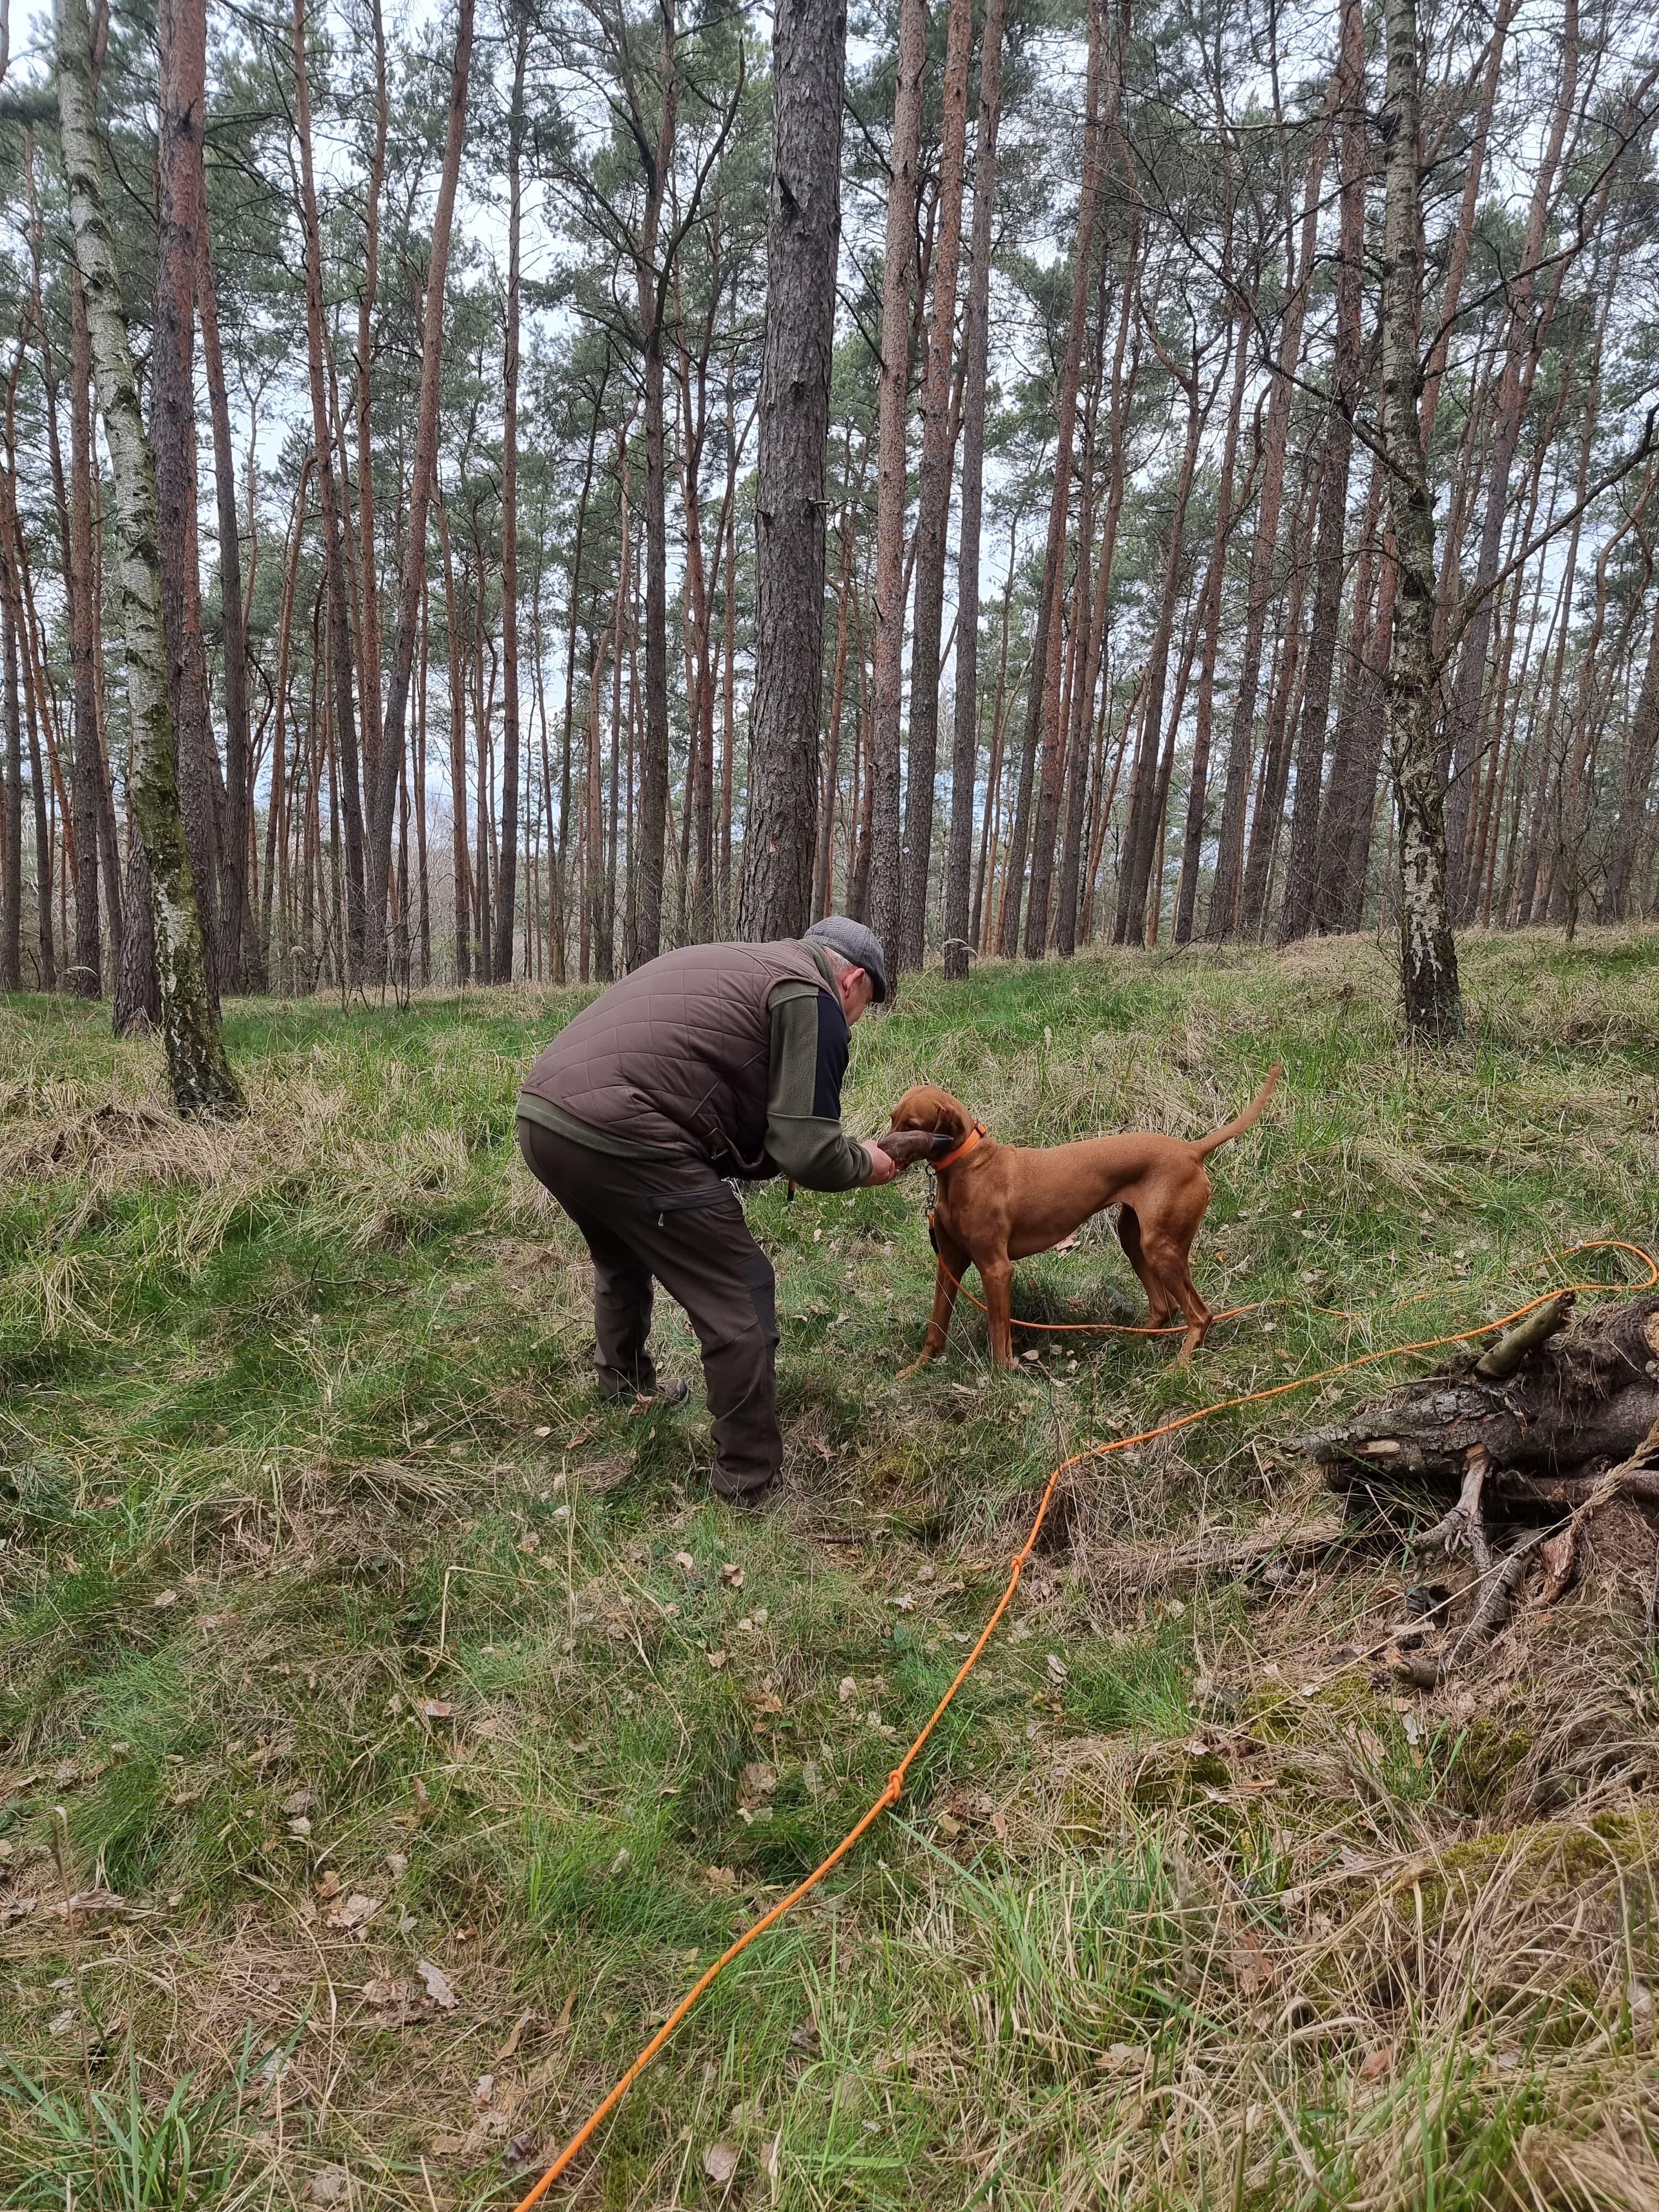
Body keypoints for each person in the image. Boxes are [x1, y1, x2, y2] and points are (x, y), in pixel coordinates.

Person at [515, 917, 899, 1505]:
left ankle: (625, 1388)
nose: (856, 1020)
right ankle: (749, 1481)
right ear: (853, 980)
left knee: (623, 1250)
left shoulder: (751, 962)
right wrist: (866, 1162)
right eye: (865, 1006)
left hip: (544, 1116)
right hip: (621, 1127)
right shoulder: (812, 996)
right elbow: (809, 1150)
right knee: (740, 1290)